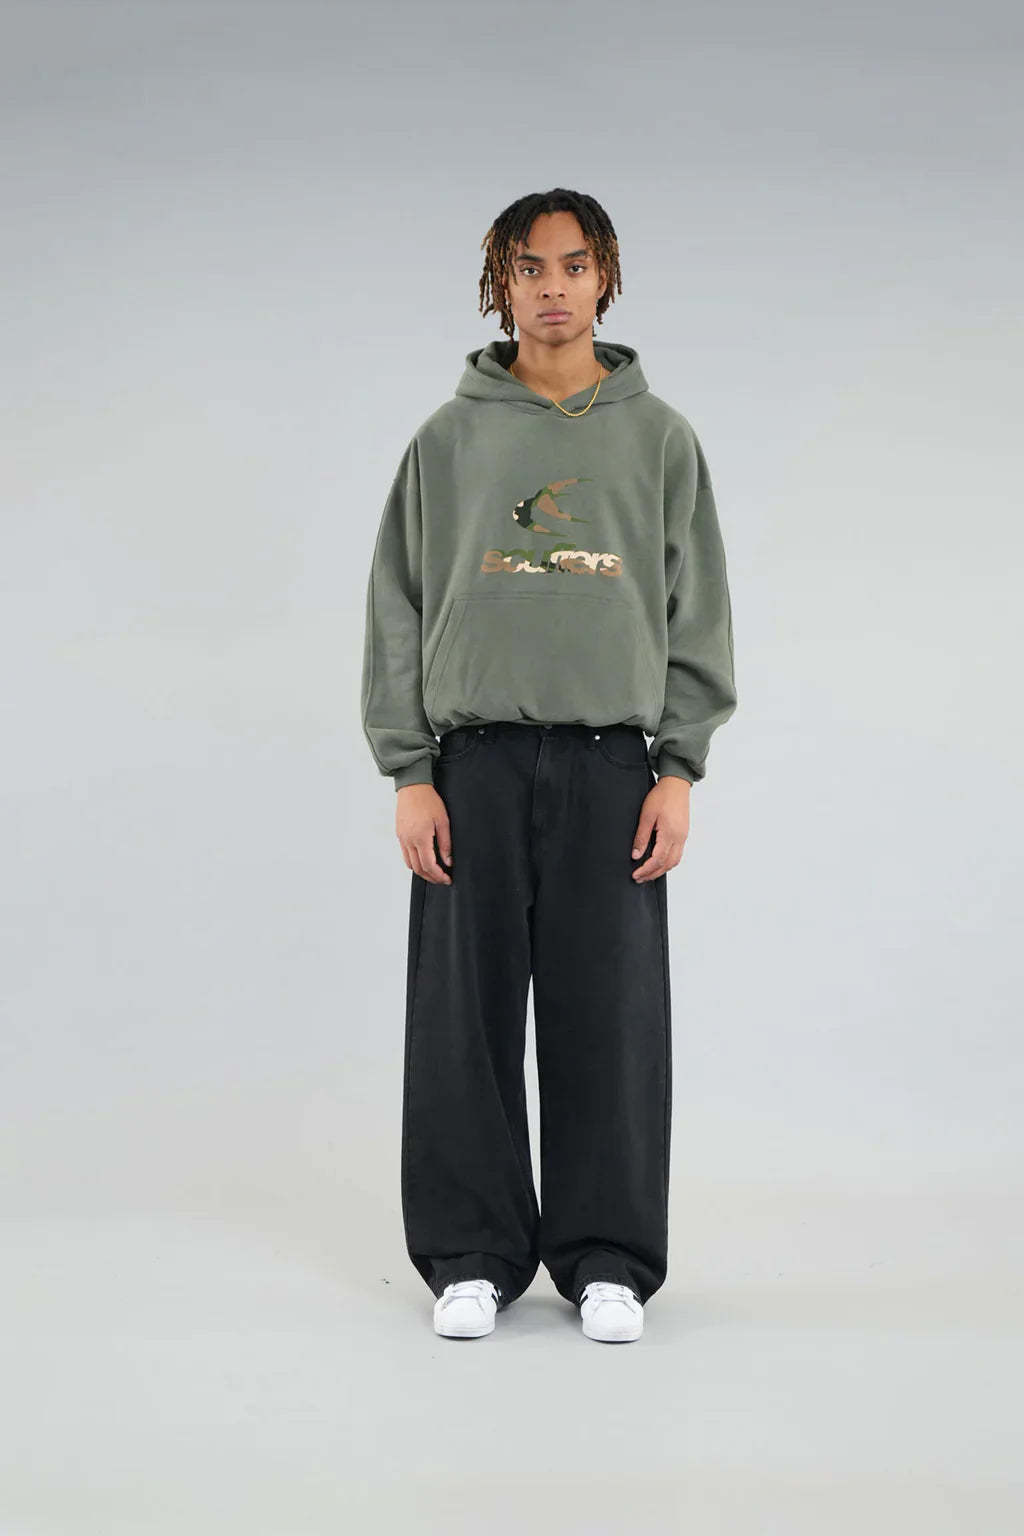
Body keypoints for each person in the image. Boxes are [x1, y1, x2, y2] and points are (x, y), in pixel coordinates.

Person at [360, 187, 737, 1343]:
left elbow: (695, 610)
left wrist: (677, 768)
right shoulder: (448, 438)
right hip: (470, 765)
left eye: (574, 265)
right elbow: (396, 606)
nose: (554, 287)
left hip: (611, 766)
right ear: (501, 284)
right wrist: (409, 772)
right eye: (529, 268)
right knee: (462, 1022)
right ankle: (471, 1254)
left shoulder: (658, 436)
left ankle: (606, 1256)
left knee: (608, 1016)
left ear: (605, 276)